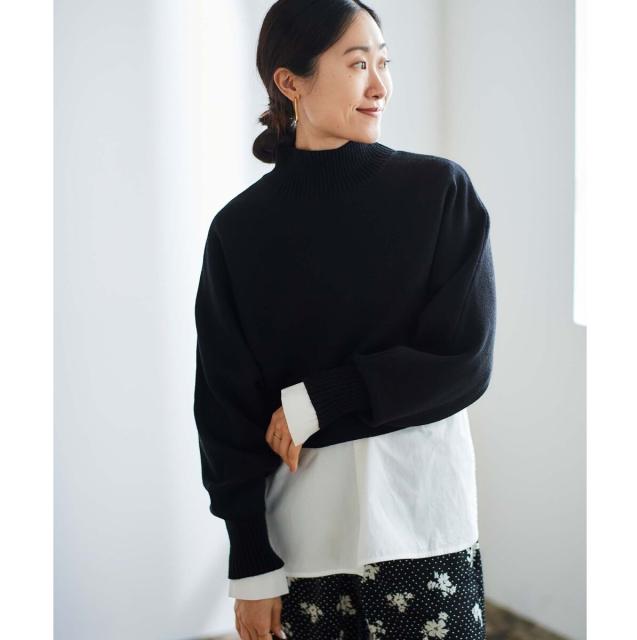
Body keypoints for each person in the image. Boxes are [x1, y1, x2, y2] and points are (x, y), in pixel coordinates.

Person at [193, 1, 496, 638]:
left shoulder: (439, 193)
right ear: (290, 81)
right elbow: (224, 407)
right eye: (359, 64)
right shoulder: (239, 232)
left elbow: (464, 361)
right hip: (304, 541)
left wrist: (320, 401)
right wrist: (249, 561)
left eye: (384, 63)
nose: (380, 86)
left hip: (423, 526)